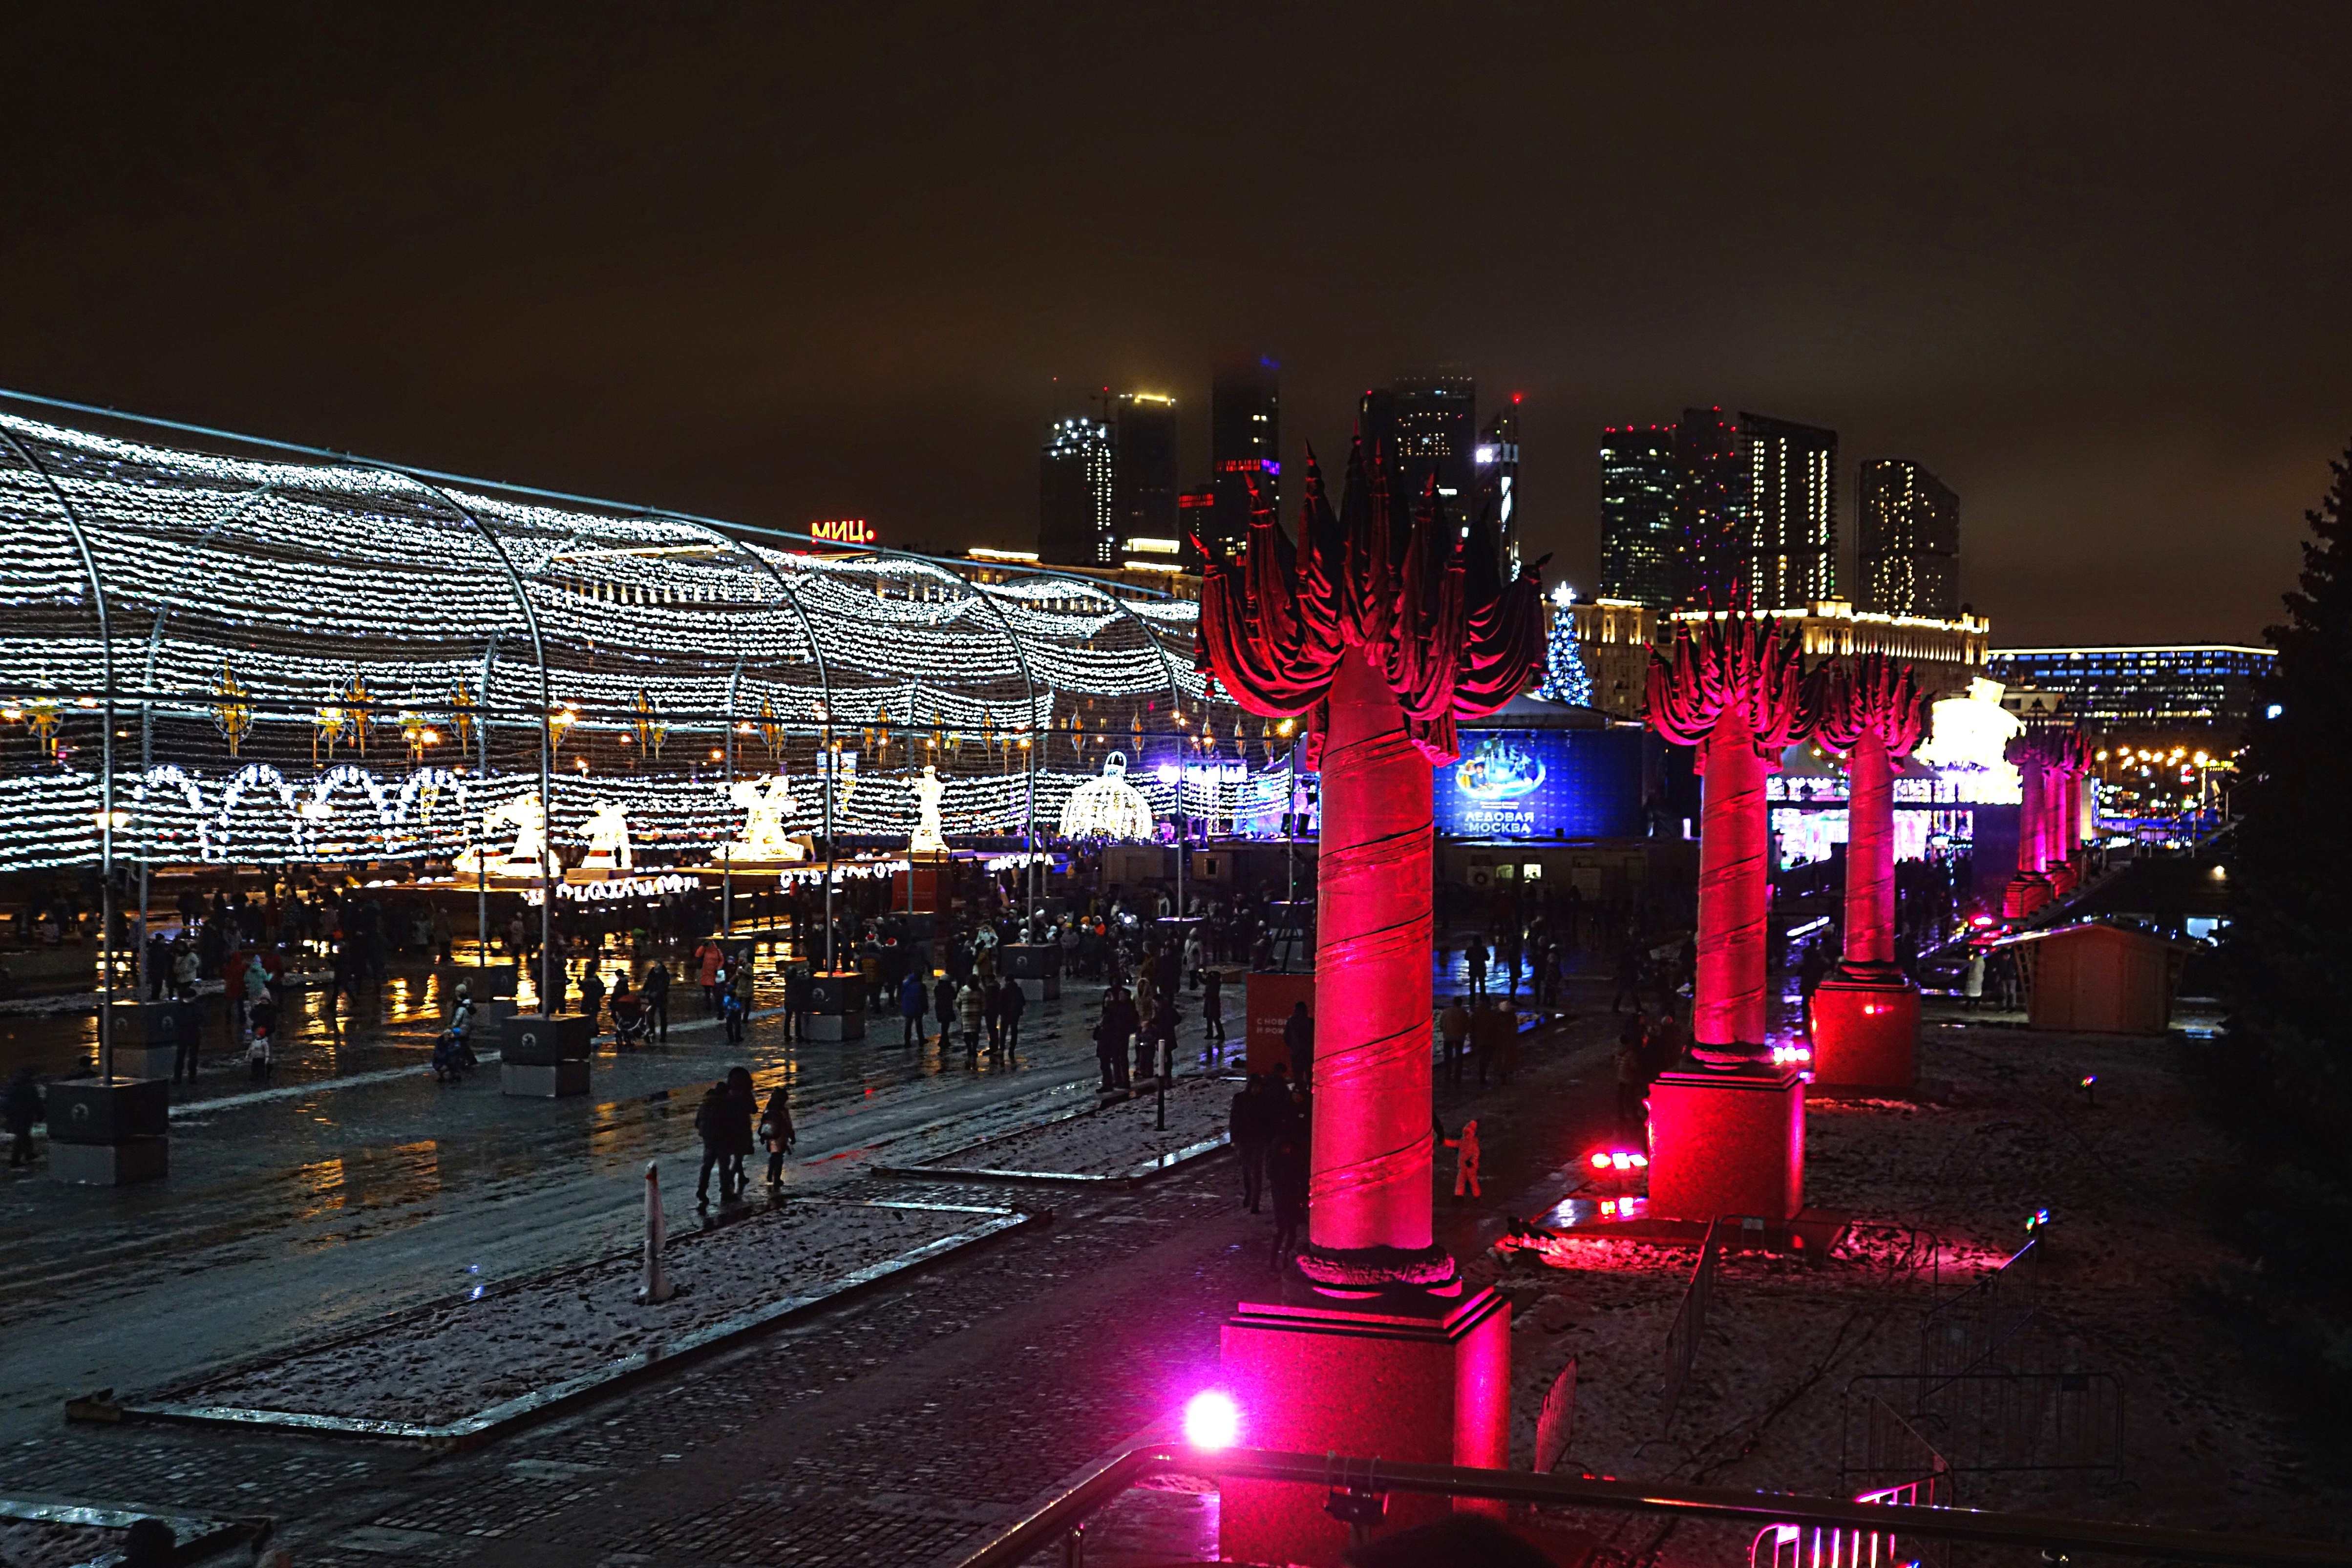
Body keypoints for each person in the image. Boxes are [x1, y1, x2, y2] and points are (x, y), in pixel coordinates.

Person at [1268, 1130, 1307, 1268]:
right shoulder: (1276, 1164)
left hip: (1291, 1200)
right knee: (1282, 1231)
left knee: (1291, 1232)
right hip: (1283, 1201)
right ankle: (1274, 1262)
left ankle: (1285, 1258)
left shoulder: (1291, 1161)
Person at [694, 1079, 736, 1206]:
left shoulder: (705, 1104)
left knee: (707, 1167)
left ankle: (702, 1190)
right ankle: (726, 1192)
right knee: (724, 1167)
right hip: (722, 1141)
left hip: (708, 1141)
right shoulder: (725, 1104)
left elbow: (697, 1123)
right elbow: (730, 1124)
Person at [1230, 1074, 1265, 1212]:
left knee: (1256, 1171)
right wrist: (1235, 1138)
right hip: (1244, 1140)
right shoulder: (1240, 1100)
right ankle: (1250, 1193)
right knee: (1246, 1170)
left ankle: (1255, 1201)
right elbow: (1234, 1120)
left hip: (1257, 1140)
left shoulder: (1263, 1101)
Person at [1095, 985, 1138, 1092]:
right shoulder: (1117, 1008)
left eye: (1122, 995)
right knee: (1116, 1058)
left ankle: (1123, 1081)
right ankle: (1118, 1080)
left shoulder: (1124, 1008)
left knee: (1121, 1058)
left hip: (1120, 1035)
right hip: (1116, 1035)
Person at [723, 1066, 757, 1195]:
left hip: (730, 1127)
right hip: (743, 1127)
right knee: (740, 1154)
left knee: (737, 1153)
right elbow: (753, 1109)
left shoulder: (728, 1094)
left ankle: (740, 1175)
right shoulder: (746, 1094)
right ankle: (731, 1177)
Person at [1615, 1013, 1648, 1140]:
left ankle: (1621, 1114)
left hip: (1621, 1075)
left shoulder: (1620, 1051)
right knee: (1630, 1097)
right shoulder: (1632, 1053)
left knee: (1621, 1097)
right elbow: (1635, 1066)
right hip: (1629, 1077)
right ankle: (1633, 1115)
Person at [760, 1082, 796, 1188]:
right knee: (779, 1157)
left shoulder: (769, 1108)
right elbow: (788, 1124)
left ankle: (770, 1172)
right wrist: (792, 1136)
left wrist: (762, 1135)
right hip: (781, 1137)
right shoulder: (783, 1110)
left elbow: (764, 1122)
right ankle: (777, 1179)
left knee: (773, 1155)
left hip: (770, 1136)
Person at [4, 1067, 42, 1169]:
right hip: (25, 1114)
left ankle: (29, 1153)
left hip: (14, 1113)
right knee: (22, 1136)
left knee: (24, 1134)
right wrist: (41, 1114)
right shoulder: (29, 1087)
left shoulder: (13, 1084)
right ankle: (15, 1160)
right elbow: (36, 1102)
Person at [1443, 1117, 1483, 1204]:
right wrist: (1444, 1141)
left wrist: (1472, 1162)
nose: (1467, 1135)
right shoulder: (1463, 1142)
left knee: (1473, 1181)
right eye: (1466, 1133)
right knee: (1461, 1181)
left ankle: (1476, 1196)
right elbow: (1453, 1143)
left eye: (1468, 1133)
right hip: (1464, 1166)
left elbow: (1476, 1154)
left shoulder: (1473, 1143)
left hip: (1470, 1166)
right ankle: (1459, 1196)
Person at [1440, 996, 1472, 1088]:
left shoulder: (1446, 1012)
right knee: (1459, 1057)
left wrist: (1445, 1031)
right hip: (1460, 1037)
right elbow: (1468, 1026)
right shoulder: (1464, 1013)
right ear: (1461, 1003)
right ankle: (1458, 1076)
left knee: (1448, 1057)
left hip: (1448, 1037)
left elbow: (1441, 1025)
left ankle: (1448, 1074)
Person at [609, 977, 648, 1050]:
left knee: (624, 1021)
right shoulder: (633, 998)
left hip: (624, 1011)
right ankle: (637, 1034)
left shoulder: (622, 995)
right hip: (631, 1012)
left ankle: (624, 1035)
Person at [1283, 1001, 1314, 1088]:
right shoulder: (1310, 1022)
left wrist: (1293, 1047)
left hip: (1296, 1054)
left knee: (1298, 1077)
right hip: (1309, 1054)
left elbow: (1286, 1038)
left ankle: (1300, 1093)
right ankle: (1310, 1095)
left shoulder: (1291, 1022)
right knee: (1310, 1077)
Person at [642, 958, 672, 1043]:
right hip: (652, 998)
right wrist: (644, 991)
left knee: (663, 1017)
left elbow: (665, 986)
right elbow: (647, 983)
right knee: (651, 1016)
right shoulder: (652, 973)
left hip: (662, 999)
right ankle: (652, 1033)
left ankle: (663, 1036)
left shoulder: (665, 975)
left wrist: (656, 993)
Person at [1200, 967, 1225, 1067]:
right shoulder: (1213, 982)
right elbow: (1205, 981)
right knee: (1209, 1019)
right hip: (1210, 1003)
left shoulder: (1216, 983)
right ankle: (1210, 1033)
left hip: (1213, 1003)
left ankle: (1220, 1034)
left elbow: (1210, 986)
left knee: (1215, 1019)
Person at [956, 979, 985, 1065]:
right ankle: (974, 1050)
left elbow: (958, 1002)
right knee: (975, 1033)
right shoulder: (980, 991)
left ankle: (969, 1049)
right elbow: (983, 1002)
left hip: (966, 1014)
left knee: (967, 1033)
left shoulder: (963, 990)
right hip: (976, 1014)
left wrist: (961, 1010)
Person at [899, 967, 930, 1046]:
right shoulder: (921, 986)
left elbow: (901, 994)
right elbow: (924, 998)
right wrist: (926, 1008)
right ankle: (921, 1039)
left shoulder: (906, 984)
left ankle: (907, 1041)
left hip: (908, 1007)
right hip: (918, 1008)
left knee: (908, 1024)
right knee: (919, 1024)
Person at [997, 975, 1025, 1057]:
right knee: (1014, 1031)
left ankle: (1002, 1049)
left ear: (1006, 981)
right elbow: (1023, 1002)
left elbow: (999, 1003)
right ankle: (1012, 1049)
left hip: (1005, 1014)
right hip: (1015, 1014)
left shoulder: (1004, 991)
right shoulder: (1018, 990)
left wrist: (1001, 1012)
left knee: (1003, 1032)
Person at [580, 963, 608, 1035]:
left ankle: (593, 1032)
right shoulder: (595, 979)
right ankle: (593, 1031)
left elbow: (586, 989)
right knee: (592, 1018)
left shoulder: (591, 980)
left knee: (591, 1018)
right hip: (591, 1001)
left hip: (589, 1001)